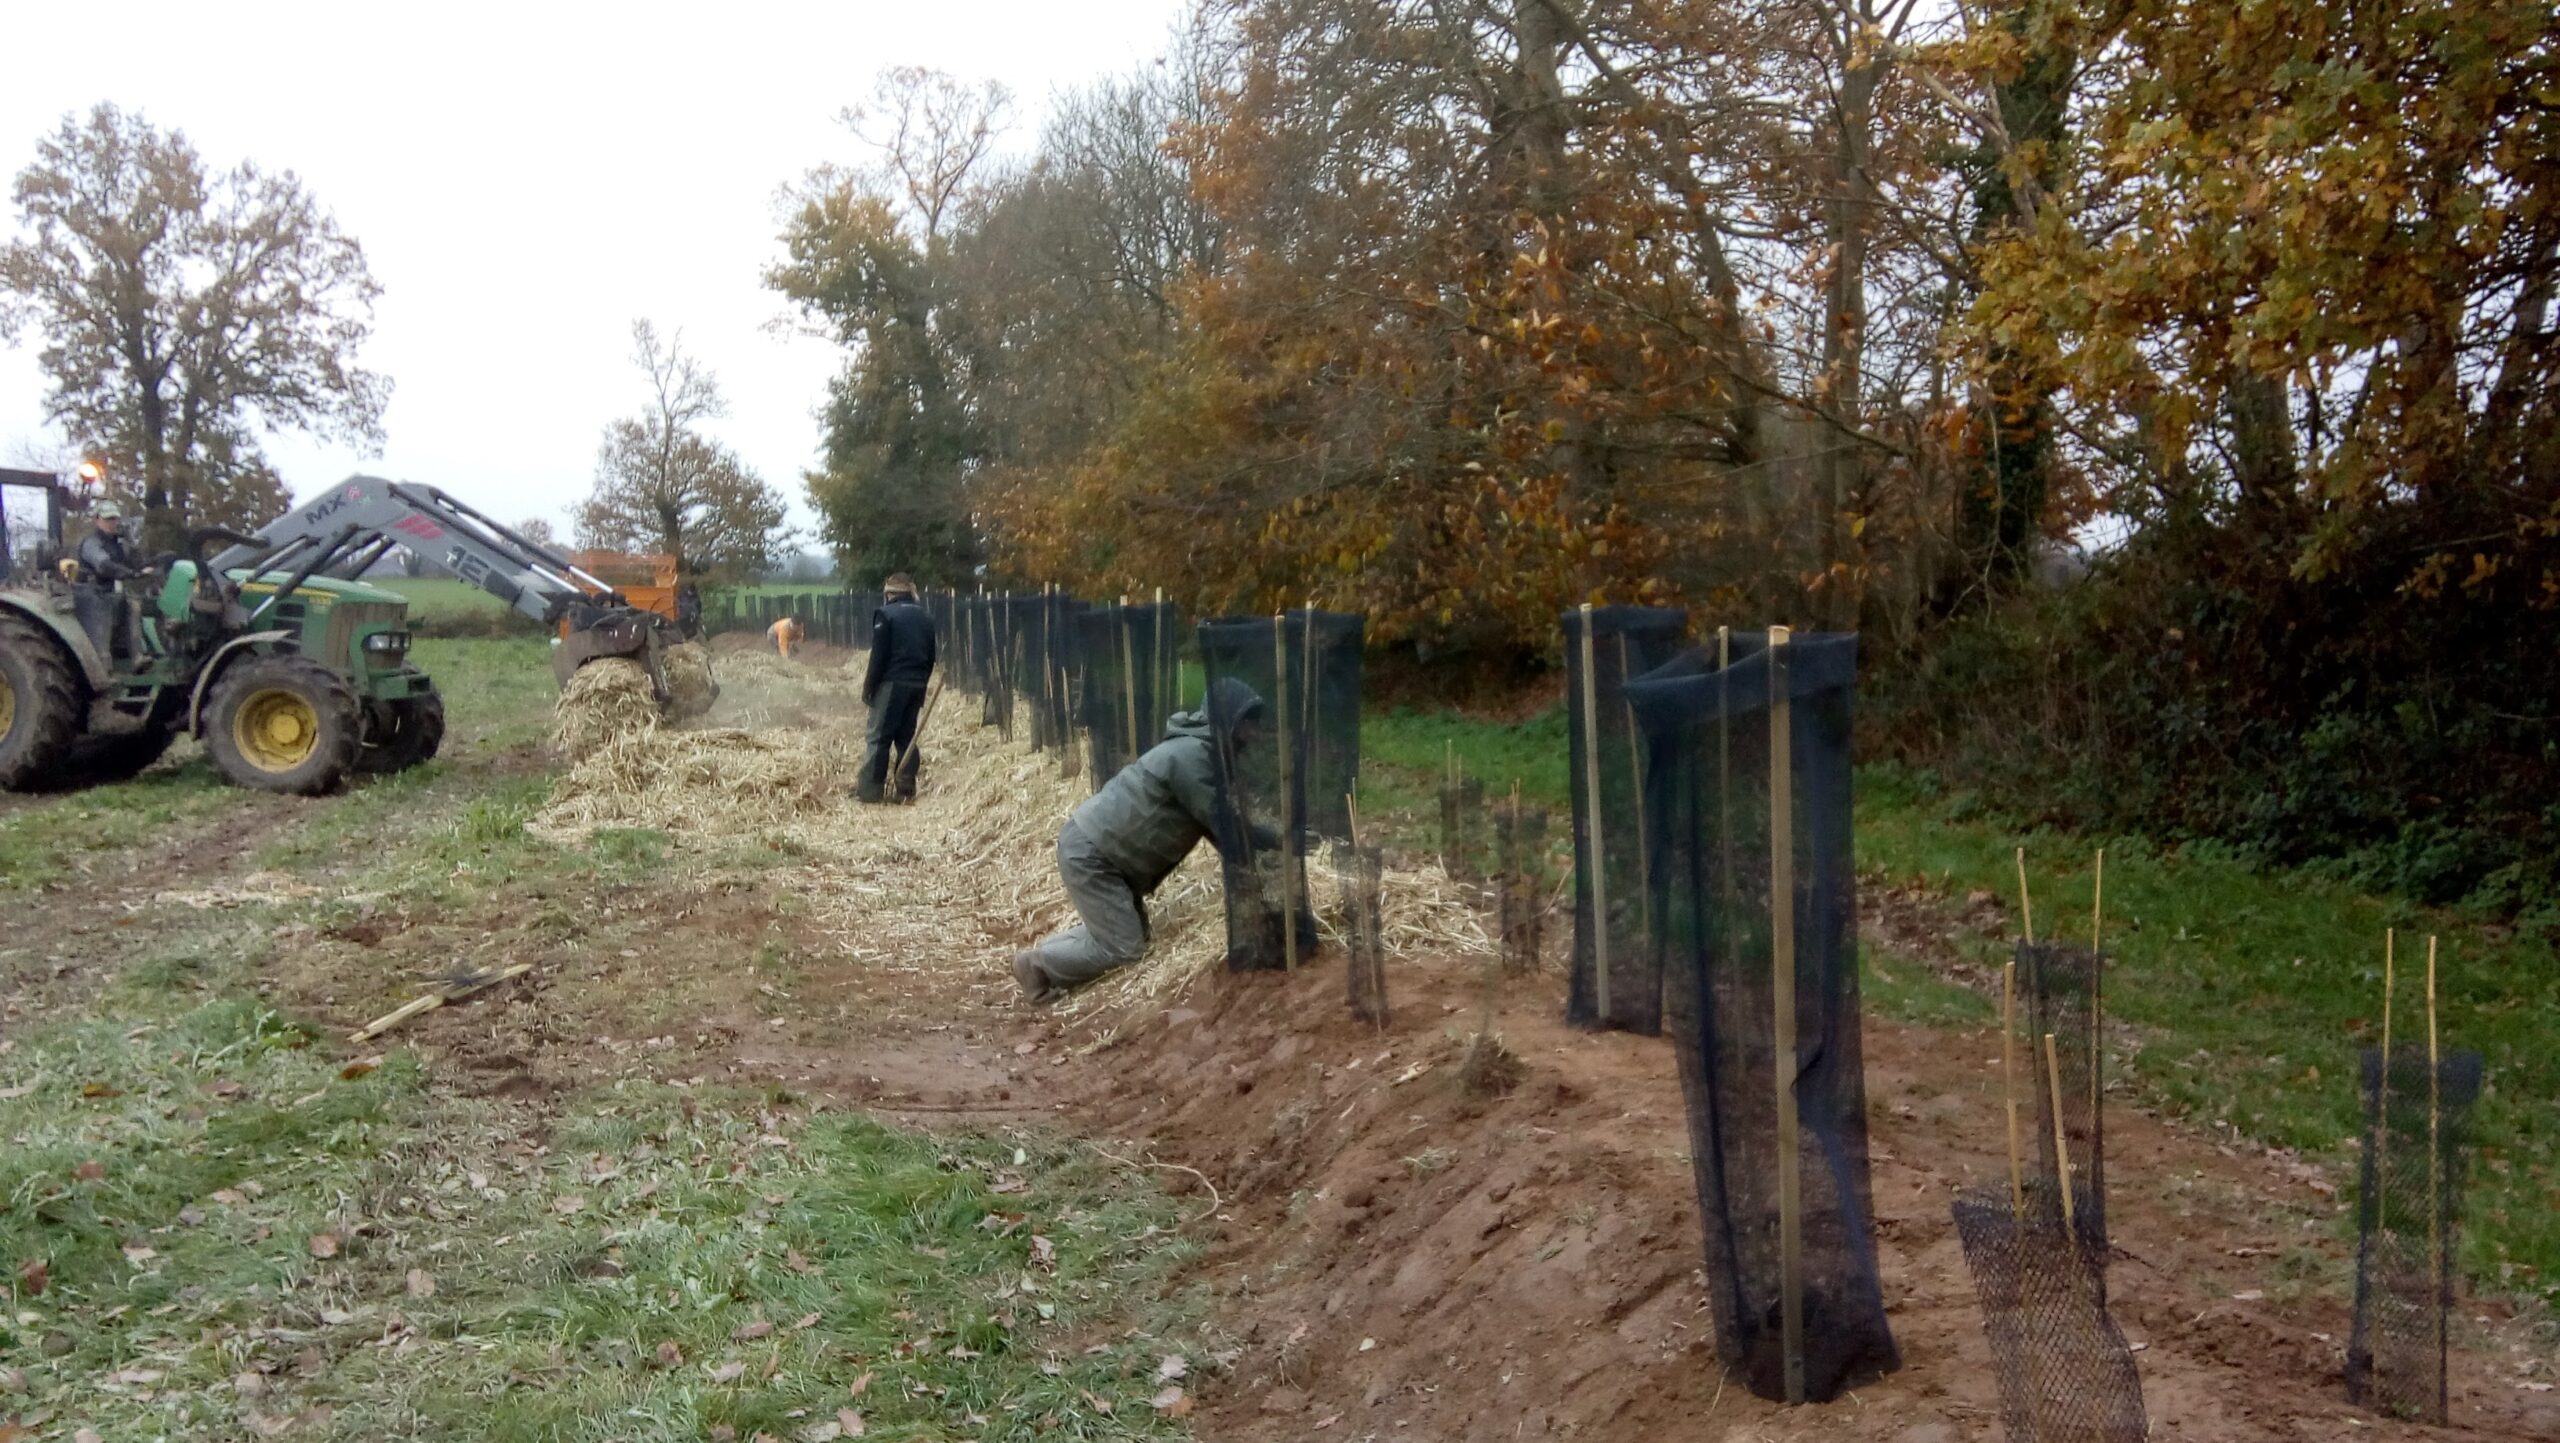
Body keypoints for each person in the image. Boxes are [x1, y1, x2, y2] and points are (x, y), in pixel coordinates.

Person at [1013, 677, 1297, 1002]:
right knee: (1124, 949)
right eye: (1249, 724)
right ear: (1228, 720)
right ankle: (1037, 966)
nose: (1255, 734)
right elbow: (1223, 824)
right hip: (1095, 854)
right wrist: (1279, 842)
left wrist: (1256, 864)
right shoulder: (1193, 757)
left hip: (1101, 849)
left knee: (1126, 935)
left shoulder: (1200, 752)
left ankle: (1038, 959)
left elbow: (1218, 830)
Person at [856, 574, 936, 803]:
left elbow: (878, 658)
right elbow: (931, 656)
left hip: (891, 684)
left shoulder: (885, 615)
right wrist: (922, 683)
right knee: (906, 737)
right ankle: (905, 789)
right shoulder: (926, 616)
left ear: (888, 594)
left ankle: (870, 792)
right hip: (917, 684)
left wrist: (868, 687)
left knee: (878, 737)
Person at [72, 502, 143, 659]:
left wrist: (133, 543)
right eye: (107, 519)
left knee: (131, 604)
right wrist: (129, 573)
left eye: (114, 519)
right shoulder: (92, 543)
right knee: (102, 606)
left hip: (106, 592)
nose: (112, 523)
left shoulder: (117, 543)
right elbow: (104, 566)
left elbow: (135, 564)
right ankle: (102, 659)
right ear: (97, 520)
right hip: (88, 593)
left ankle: (137, 657)